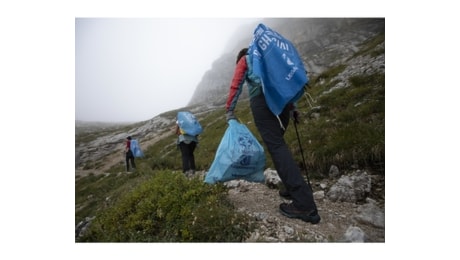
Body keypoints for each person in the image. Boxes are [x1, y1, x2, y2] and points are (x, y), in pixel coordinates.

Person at [225, 48, 320, 224]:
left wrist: (229, 111)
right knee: (278, 145)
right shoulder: (267, 58)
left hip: (262, 104)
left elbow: (236, 84)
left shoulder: (245, 59)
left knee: (276, 147)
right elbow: (283, 81)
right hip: (282, 103)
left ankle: (304, 204)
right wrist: (293, 107)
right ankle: (292, 189)